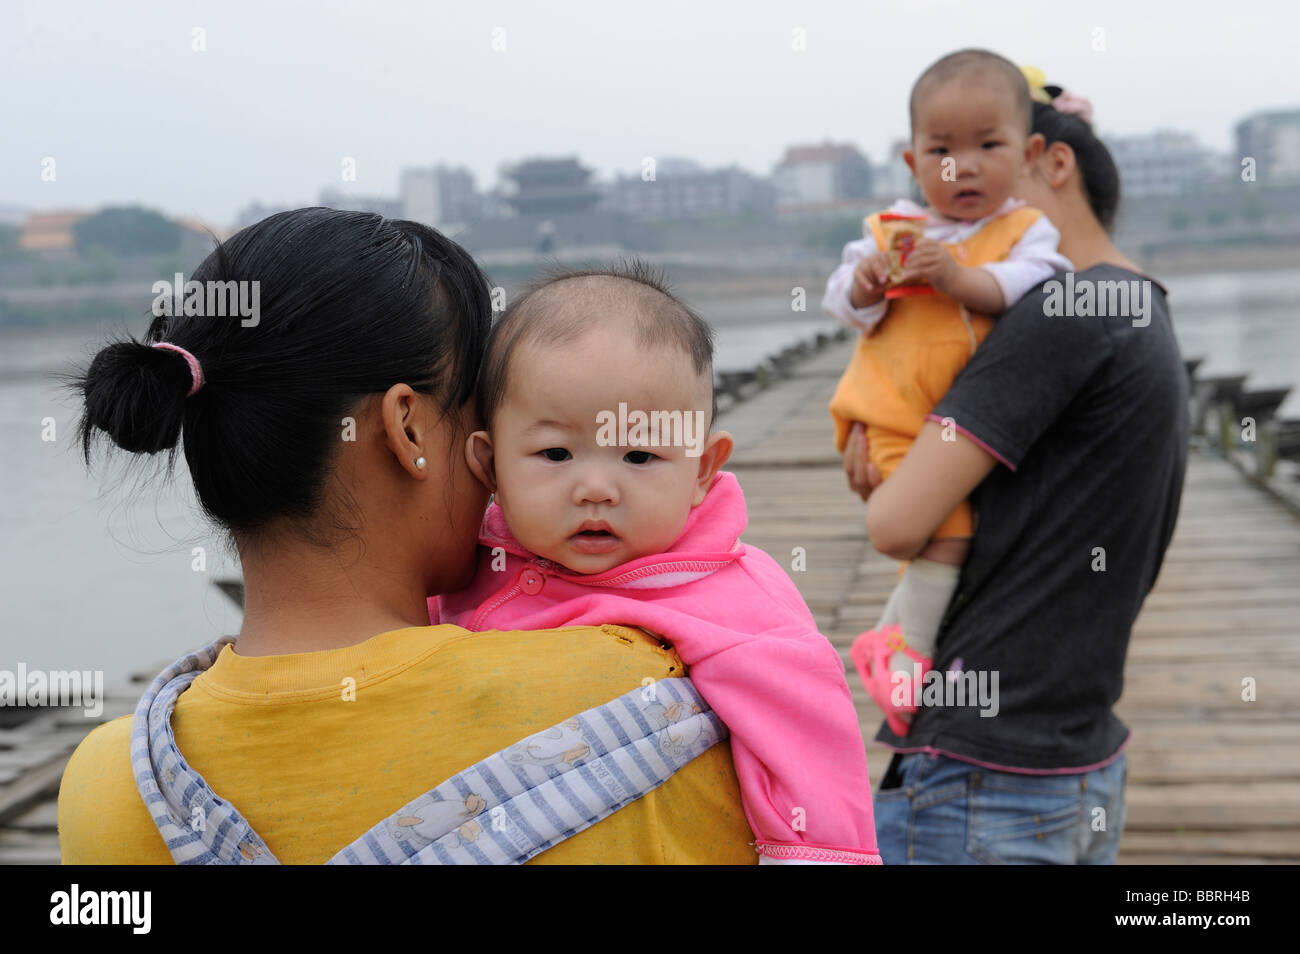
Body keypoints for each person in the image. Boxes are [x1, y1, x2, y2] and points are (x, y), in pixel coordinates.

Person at [57, 208, 758, 864]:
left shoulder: (114, 780)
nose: (497, 471)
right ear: (410, 428)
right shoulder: (646, 695)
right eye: (483, 417)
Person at [841, 68, 1189, 864]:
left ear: (1050, 164)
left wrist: (896, 474)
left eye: (994, 154)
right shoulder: (1143, 308)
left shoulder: (1066, 309)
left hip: (981, 781)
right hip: (1075, 758)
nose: (963, 186)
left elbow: (893, 524)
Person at [433, 263, 880, 865]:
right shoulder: (463, 563)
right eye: (555, 453)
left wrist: (820, 853)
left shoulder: (727, 597)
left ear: (700, 470)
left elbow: (807, 732)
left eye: (639, 455)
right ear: (488, 465)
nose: (595, 487)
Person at [821, 50, 1073, 732]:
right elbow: (840, 302)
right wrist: (866, 285)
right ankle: (911, 659)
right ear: (912, 164)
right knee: (946, 534)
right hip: (891, 414)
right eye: (941, 149)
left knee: (944, 531)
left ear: (1027, 155)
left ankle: (890, 638)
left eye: (987, 146)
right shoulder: (892, 230)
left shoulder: (1025, 231)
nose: (962, 166)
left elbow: (1034, 285)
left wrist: (958, 279)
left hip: (964, 425)